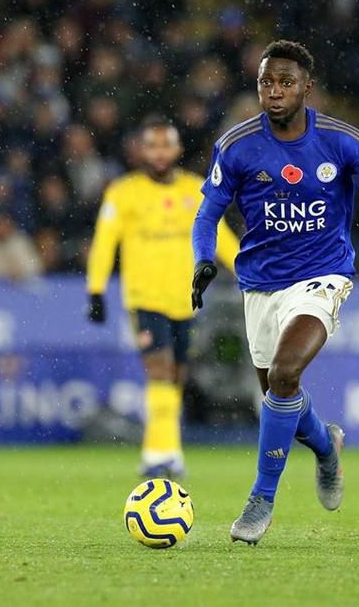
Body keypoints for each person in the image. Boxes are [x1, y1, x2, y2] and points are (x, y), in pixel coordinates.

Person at [190, 40, 359, 544]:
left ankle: (261, 500)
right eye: (266, 82)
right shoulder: (237, 145)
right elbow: (207, 213)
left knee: (285, 374)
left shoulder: (340, 140)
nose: (275, 91)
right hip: (260, 284)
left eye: (286, 82)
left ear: (307, 87)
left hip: (323, 277)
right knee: (277, 394)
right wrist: (202, 259)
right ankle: (327, 447)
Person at [86, 116, 240, 480]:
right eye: (151, 145)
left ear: (177, 148)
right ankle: (160, 455)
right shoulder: (123, 192)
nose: (158, 152)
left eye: (165, 144)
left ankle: (164, 451)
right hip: (146, 299)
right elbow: (105, 243)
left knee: (176, 379)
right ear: (140, 150)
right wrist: (95, 289)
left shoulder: (195, 189)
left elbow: (221, 236)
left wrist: (247, 272)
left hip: (187, 300)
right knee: (159, 372)